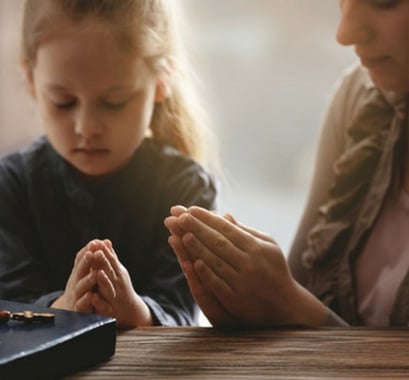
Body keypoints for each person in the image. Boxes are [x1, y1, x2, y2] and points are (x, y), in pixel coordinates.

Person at [0, 0, 219, 328]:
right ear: (31, 81)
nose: (86, 128)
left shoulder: (186, 188)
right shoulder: (5, 186)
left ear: (162, 81)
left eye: (114, 102)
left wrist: (131, 310)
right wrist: (66, 306)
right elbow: (7, 314)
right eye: (64, 102)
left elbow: (180, 315)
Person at [165, 0, 408, 327]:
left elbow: (295, 302)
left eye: (384, 3)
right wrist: (248, 304)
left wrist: (291, 306)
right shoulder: (361, 99)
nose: (345, 33)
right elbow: (302, 283)